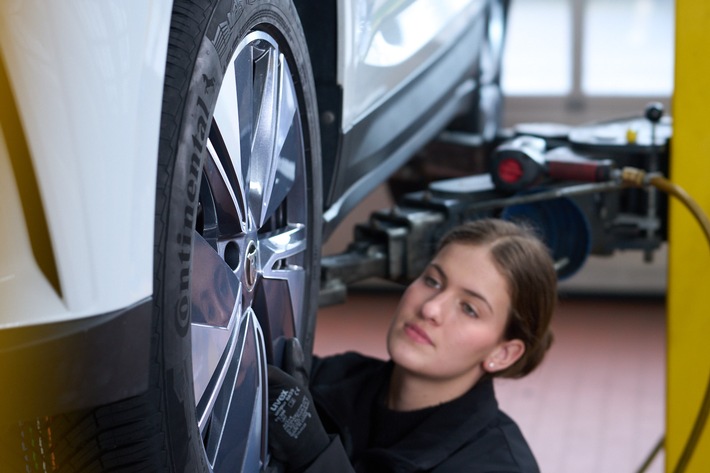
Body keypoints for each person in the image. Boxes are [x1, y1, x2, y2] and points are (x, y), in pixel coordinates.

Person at [267, 218, 557, 473]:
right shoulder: (332, 378)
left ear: (502, 353)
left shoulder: (497, 466)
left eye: (469, 308)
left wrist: (315, 457)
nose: (431, 308)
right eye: (432, 281)